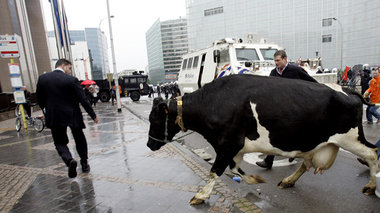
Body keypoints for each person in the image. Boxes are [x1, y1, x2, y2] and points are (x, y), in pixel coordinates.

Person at [256, 50, 318, 169]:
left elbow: (312, 83)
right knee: (275, 133)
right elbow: (269, 88)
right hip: (280, 109)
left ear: (285, 59)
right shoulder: (273, 72)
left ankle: (293, 152)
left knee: (294, 132)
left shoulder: (295, 70)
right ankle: (269, 160)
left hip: (295, 109)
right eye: (275, 61)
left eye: (278, 60)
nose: (276, 63)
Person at [36, 59, 98, 178]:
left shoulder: (43, 79)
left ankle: (69, 160)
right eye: (69, 68)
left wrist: (46, 109)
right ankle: (84, 163)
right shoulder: (71, 80)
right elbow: (83, 99)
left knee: (59, 142)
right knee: (79, 138)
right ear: (63, 66)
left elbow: (39, 98)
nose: (70, 71)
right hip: (73, 113)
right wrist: (93, 115)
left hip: (54, 114)